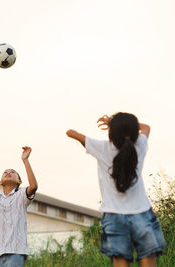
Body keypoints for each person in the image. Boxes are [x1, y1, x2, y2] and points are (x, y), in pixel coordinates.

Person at [66, 112, 166, 267]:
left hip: (113, 216)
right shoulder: (139, 145)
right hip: (142, 213)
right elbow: (146, 127)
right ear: (133, 134)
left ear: (111, 135)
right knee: (148, 260)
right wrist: (119, 125)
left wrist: (113, 125)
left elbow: (70, 133)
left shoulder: (102, 147)